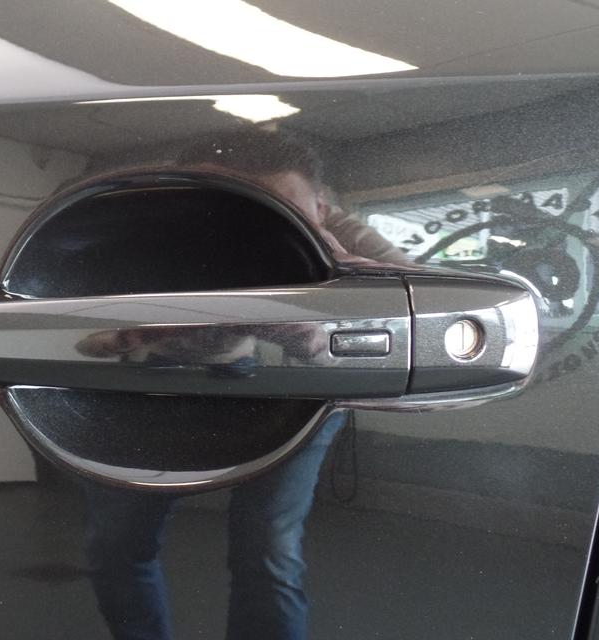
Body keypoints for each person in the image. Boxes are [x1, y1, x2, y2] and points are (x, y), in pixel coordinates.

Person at [81, 129, 409, 640]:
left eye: (281, 217)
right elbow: (80, 337)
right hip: (158, 380)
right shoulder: (146, 228)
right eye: (229, 212)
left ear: (320, 211)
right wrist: (136, 330)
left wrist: (340, 281)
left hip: (275, 385)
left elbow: (424, 305)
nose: (255, 233)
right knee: (115, 544)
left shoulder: (335, 229)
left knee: (268, 550)